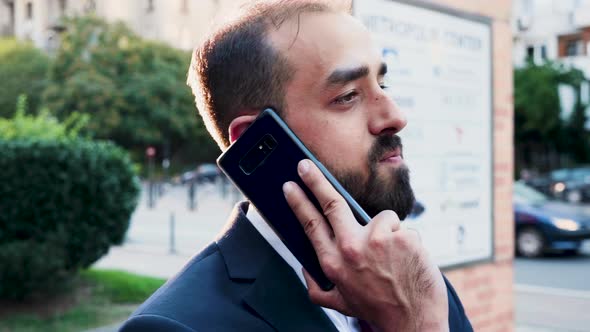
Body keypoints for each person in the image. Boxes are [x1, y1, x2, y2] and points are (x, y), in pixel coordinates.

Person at [120, 1, 473, 331]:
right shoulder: (174, 325)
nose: (395, 116)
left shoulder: (414, 281)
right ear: (254, 140)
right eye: (348, 96)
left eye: (382, 84)